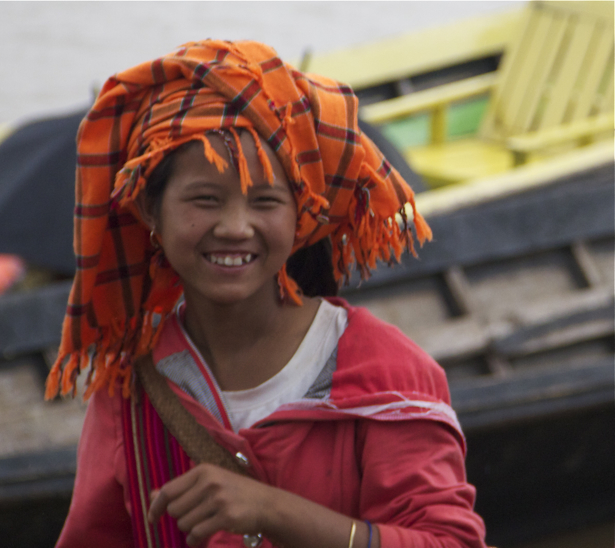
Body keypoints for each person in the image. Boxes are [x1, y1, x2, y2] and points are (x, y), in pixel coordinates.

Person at [47, 39, 487, 548]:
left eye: (266, 201)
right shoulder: (131, 390)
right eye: (206, 200)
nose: (235, 227)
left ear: (302, 215)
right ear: (150, 210)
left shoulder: (383, 373)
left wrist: (273, 511)